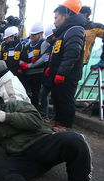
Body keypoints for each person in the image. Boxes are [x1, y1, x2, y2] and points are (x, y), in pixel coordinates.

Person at [0, 90, 92, 181]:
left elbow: (35, 121)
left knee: (74, 140)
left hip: (42, 143)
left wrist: (7, 117)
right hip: (22, 157)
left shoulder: (15, 104)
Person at [49, 0, 86, 129]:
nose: (54, 21)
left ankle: (65, 124)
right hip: (59, 73)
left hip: (68, 75)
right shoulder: (65, 31)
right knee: (57, 97)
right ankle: (57, 120)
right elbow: (58, 52)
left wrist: (61, 73)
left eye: (56, 17)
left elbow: (72, 53)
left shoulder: (75, 30)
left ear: (66, 14)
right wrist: (51, 68)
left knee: (65, 99)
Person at [19, 22, 45, 110]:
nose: (32, 36)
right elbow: (21, 57)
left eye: (35, 34)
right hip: (27, 74)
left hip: (38, 73)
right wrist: (22, 63)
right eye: (31, 34)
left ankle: (35, 110)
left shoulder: (43, 43)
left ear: (41, 34)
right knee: (25, 92)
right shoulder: (27, 45)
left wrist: (30, 65)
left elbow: (45, 58)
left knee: (35, 93)